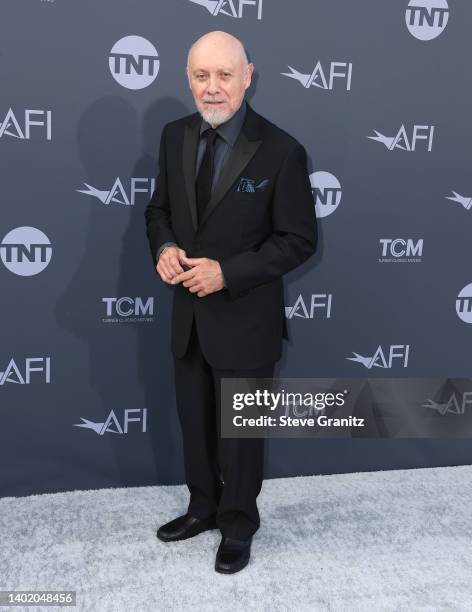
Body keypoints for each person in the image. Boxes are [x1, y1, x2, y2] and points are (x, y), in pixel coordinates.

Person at [144, 30, 317, 574]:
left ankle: (239, 523)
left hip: (245, 320)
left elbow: (298, 240)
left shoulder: (282, 149)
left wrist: (228, 274)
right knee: (194, 423)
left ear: (248, 75)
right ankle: (203, 507)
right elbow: (158, 211)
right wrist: (165, 246)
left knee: (241, 436)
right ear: (188, 79)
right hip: (188, 319)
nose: (212, 88)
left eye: (224, 75)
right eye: (201, 76)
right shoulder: (173, 136)